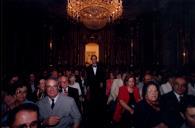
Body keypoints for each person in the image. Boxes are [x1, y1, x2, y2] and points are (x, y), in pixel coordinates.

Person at [85, 55, 106, 128]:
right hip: (91, 87)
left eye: (95, 59)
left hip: (99, 88)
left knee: (99, 102)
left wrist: (102, 83)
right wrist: (87, 86)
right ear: (91, 60)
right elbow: (86, 78)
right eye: (92, 59)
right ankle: (92, 115)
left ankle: (98, 114)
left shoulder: (101, 68)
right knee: (92, 102)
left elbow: (103, 77)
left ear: (96, 60)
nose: (94, 60)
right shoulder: (88, 68)